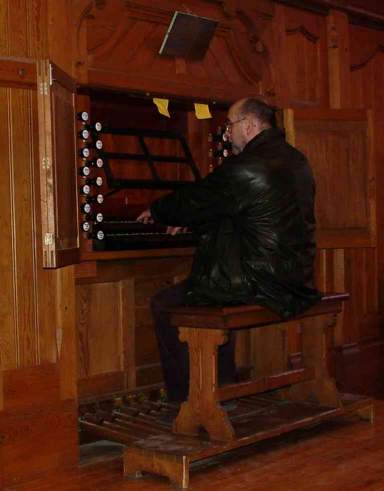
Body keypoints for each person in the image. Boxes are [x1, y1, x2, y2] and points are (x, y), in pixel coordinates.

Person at [137, 97, 321, 403]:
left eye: (229, 126)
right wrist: (196, 223)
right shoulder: (296, 160)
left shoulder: (248, 166)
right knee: (214, 295)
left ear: (248, 126)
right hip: (294, 274)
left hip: (260, 280)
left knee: (166, 304)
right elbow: (250, 211)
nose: (227, 135)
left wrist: (158, 211)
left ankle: (189, 400)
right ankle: (221, 388)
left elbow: (196, 199)